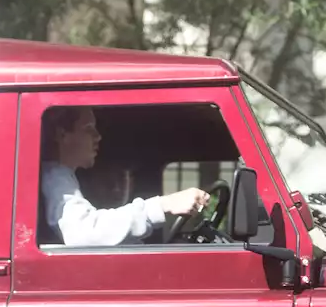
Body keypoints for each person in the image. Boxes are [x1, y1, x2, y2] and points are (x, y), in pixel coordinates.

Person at [40, 106, 210, 247]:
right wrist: (163, 205)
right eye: (88, 129)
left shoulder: (61, 177)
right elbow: (84, 233)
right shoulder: (54, 178)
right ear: (61, 135)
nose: (98, 137)